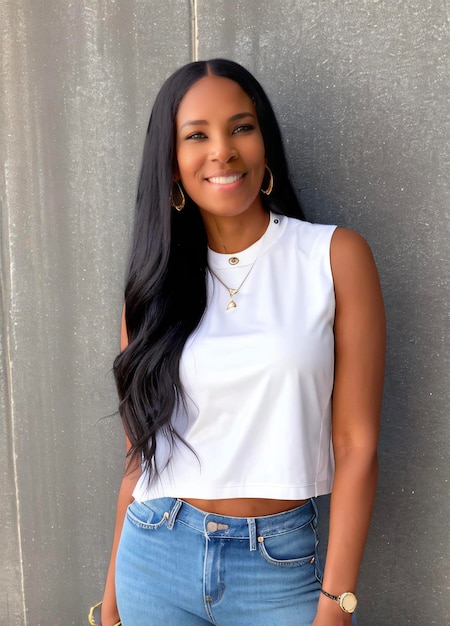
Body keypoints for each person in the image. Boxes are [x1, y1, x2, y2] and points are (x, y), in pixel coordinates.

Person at [96, 58, 385, 626]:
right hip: (153, 557)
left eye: (241, 127)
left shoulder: (332, 256)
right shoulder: (152, 287)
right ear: (172, 164)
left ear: (264, 142)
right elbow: (139, 461)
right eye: (196, 135)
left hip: (277, 567)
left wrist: (336, 604)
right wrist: (108, 606)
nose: (221, 150)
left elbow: (357, 444)